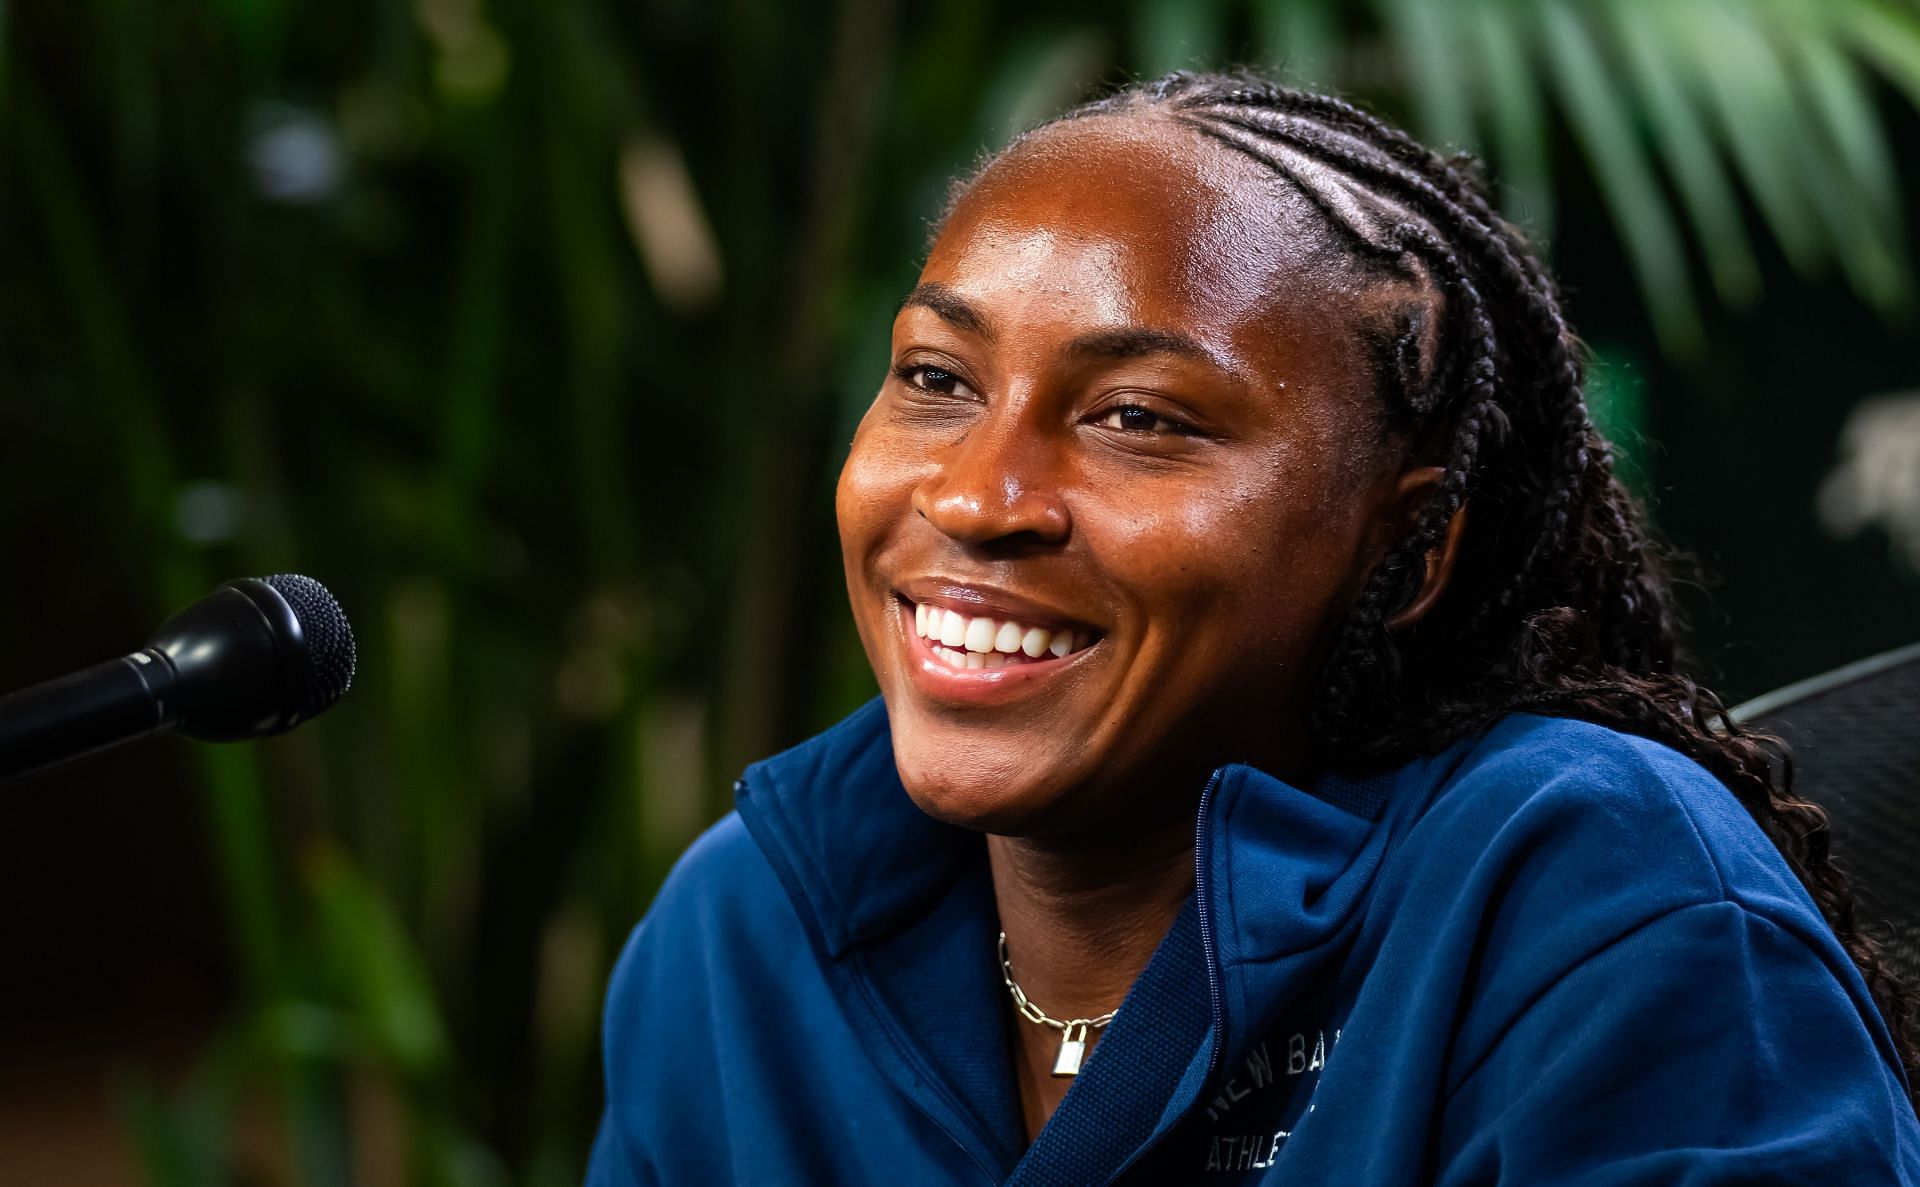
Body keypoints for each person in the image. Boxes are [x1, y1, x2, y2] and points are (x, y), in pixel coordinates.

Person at [585, 71, 1920, 1185]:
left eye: (1138, 418)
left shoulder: (1589, 893)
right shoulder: (747, 930)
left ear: (1406, 550)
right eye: (938, 380)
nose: (979, 496)